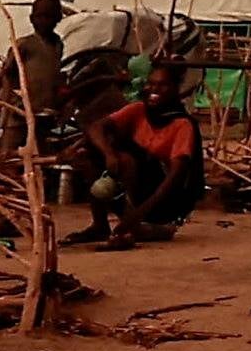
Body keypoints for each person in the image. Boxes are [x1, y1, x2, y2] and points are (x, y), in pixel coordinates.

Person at [79, 50, 206, 245]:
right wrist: (108, 154)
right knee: (88, 154)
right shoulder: (138, 110)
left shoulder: (182, 124)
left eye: (162, 85)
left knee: (129, 159)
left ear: (175, 88)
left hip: (163, 203)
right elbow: (96, 127)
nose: (154, 90)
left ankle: (139, 224)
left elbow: (174, 179)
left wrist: (136, 216)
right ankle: (100, 224)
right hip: (137, 191)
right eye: (151, 84)